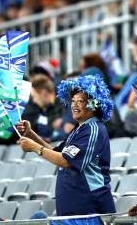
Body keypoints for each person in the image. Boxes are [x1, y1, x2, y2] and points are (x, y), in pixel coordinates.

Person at [17, 74, 115, 217]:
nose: (74, 105)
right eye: (73, 100)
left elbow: (66, 161)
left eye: (80, 101)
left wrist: (34, 147)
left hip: (90, 213)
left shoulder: (93, 129)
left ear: (93, 105)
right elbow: (56, 152)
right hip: (75, 213)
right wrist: (30, 133)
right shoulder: (80, 129)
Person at [22, 74, 62, 141]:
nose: (34, 101)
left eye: (35, 96)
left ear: (44, 93)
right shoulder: (44, 108)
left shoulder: (63, 107)